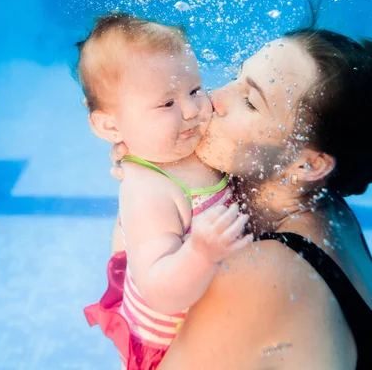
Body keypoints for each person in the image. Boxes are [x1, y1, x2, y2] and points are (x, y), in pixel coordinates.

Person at [110, 27, 372, 370]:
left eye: (250, 101)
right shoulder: (327, 208)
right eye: (237, 77)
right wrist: (151, 163)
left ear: (308, 163)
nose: (214, 96)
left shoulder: (263, 272)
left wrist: (140, 193)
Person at [75, 13, 252, 370]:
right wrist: (201, 252)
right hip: (173, 349)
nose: (191, 111)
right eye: (166, 104)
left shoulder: (194, 141)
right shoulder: (148, 190)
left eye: (194, 89)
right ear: (111, 125)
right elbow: (160, 291)